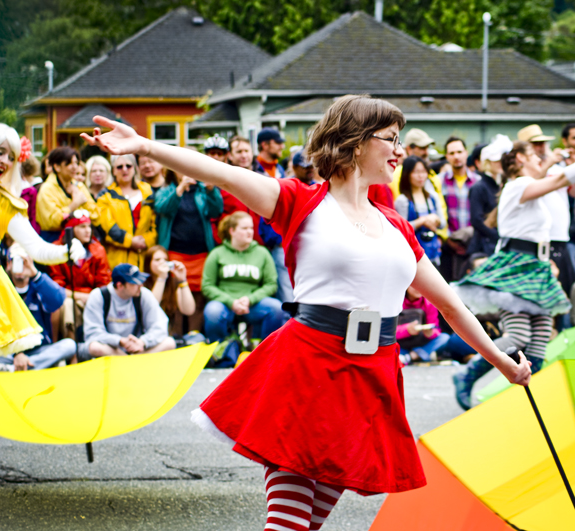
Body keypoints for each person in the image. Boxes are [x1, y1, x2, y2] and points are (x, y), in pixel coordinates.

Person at [81, 94, 531, 531]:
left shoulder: (395, 226)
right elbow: (218, 172)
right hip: (308, 368)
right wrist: (143, 145)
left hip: (370, 377)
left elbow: (451, 305)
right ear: (356, 142)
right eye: (390, 138)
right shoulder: (301, 200)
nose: (400, 151)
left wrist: (501, 362)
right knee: (290, 522)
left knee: (307, 523)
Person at [452, 133, 575, 410]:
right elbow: (559, 180)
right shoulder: (518, 184)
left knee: (540, 339)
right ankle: (467, 374)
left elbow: (561, 187)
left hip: (536, 266)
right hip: (517, 266)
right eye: (533, 155)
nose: (540, 159)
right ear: (520, 159)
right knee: (518, 336)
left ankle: (529, 402)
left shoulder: (525, 185)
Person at [0, 123, 85, 359]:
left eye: (11, 156)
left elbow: (37, 249)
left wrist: (67, 251)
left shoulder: (5, 204)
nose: (5, 161)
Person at [154, 166, 223, 332]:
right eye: (182, 168)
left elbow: (217, 210)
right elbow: (162, 208)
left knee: (198, 299)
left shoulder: (202, 190)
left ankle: (195, 337)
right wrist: (179, 189)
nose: (187, 172)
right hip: (174, 252)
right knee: (175, 298)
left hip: (201, 254)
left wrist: (212, 189)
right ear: (173, 171)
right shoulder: (166, 190)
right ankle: (176, 337)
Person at [201, 212, 287, 343]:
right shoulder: (217, 254)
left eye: (251, 228)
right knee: (212, 312)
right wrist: (231, 302)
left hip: (253, 304)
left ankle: (264, 351)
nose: (250, 232)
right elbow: (207, 286)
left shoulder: (262, 253)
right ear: (232, 231)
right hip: (225, 303)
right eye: (244, 228)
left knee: (276, 308)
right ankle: (221, 356)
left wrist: (250, 299)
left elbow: (271, 284)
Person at [0, 244, 76, 372]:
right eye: (16, 261)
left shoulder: (39, 285)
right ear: (8, 263)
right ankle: (29, 366)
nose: (21, 265)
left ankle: (14, 369)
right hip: (9, 351)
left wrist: (35, 274)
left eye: (24, 261)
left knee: (69, 345)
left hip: (39, 349)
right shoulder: (0, 289)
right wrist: (17, 354)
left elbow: (58, 300)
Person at [79, 263, 176, 359]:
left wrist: (143, 342)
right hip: (112, 349)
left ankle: (131, 361)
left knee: (169, 343)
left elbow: (160, 326)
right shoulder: (99, 296)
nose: (140, 285)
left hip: (138, 350)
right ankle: (129, 361)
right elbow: (93, 333)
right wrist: (120, 341)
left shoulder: (144, 294)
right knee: (95, 347)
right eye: (135, 282)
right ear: (120, 285)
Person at [49, 210, 112, 340]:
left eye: (89, 226)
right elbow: (56, 286)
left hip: (93, 296)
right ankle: (71, 349)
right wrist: (80, 296)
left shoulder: (98, 250)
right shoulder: (57, 250)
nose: (88, 231)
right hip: (69, 297)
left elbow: (104, 283)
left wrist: (91, 296)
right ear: (71, 229)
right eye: (82, 227)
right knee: (67, 304)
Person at [543, 123, 575, 295]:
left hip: (573, 235)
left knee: (569, 285)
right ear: (565, 141)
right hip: (554, 236)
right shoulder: (553, 165)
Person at [96, 154, 157, 270]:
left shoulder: (147, 191)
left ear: (135, 168)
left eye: (128, 166)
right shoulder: (105, 195)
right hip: (117, 259)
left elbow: (156, 223)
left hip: (145, 257)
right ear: (113, 170)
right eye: (119, 167)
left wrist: (147, 240)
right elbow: (107, 227)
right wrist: (130, 241)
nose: (124, 169)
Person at [253, 128, 293, 303]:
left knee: (284, 287)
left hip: (279, 240)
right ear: (265, 144)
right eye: (278, 142)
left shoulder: (280, 170)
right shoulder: (254, 170)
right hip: (258, 240)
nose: (282, 146)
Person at [36, 146, 100, 242]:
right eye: (69, 163)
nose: (75, 167)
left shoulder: (79, 186)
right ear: (57, 167)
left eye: (76, 163)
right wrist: (74, 204)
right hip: (54, 241)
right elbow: (51, 222)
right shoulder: (47, 189)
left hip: (80, 240)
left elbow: (96, 215)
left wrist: (81, 201)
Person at [438, 137, 480, 279]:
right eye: (452, 153)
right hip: (448, 245)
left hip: (473, 244)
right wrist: (448, 239)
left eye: (459, 152)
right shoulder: (439, 181)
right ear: (447, 156)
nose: (456, 156)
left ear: (466, 153)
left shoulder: (478, 182)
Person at [395, 156, 446, 265]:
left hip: (433, 252)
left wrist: (435, 219)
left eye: (423, 171)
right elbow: (401, 230)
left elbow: (443, 223)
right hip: (413, 255)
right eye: (416, 172)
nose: (420, 176)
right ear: (407, 174)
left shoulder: (432, 197)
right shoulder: (402, 200)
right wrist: (422, 221)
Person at [466, 137, 507, 257]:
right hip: (483, 247)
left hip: (495, 245)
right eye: (496, 160)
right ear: (487, 162)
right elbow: (477, 220)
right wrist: (497, 236)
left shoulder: (500, 185)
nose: (500, 163)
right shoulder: (479, 187)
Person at [143, 245, 196, 334]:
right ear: (148, 263)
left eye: (165, 259)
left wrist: (182, 280)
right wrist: (161, 278)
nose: (162, 262)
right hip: (149, 334)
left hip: (173, 335)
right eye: (157, 260)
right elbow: (152, 306)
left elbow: (189, 310)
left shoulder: (173, 282)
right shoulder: (141, 284)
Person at [396, 285, 450, 364]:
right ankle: (415, 355)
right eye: (414, 285)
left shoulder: (429, 302)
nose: (418, 289)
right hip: (401, 343)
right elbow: (387, 331)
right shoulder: (397, 301)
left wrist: (430, 333)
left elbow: (436, 328)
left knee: (444, 337)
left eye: (421, 285)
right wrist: (406, 329)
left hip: (421, 341)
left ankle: (413, 356)